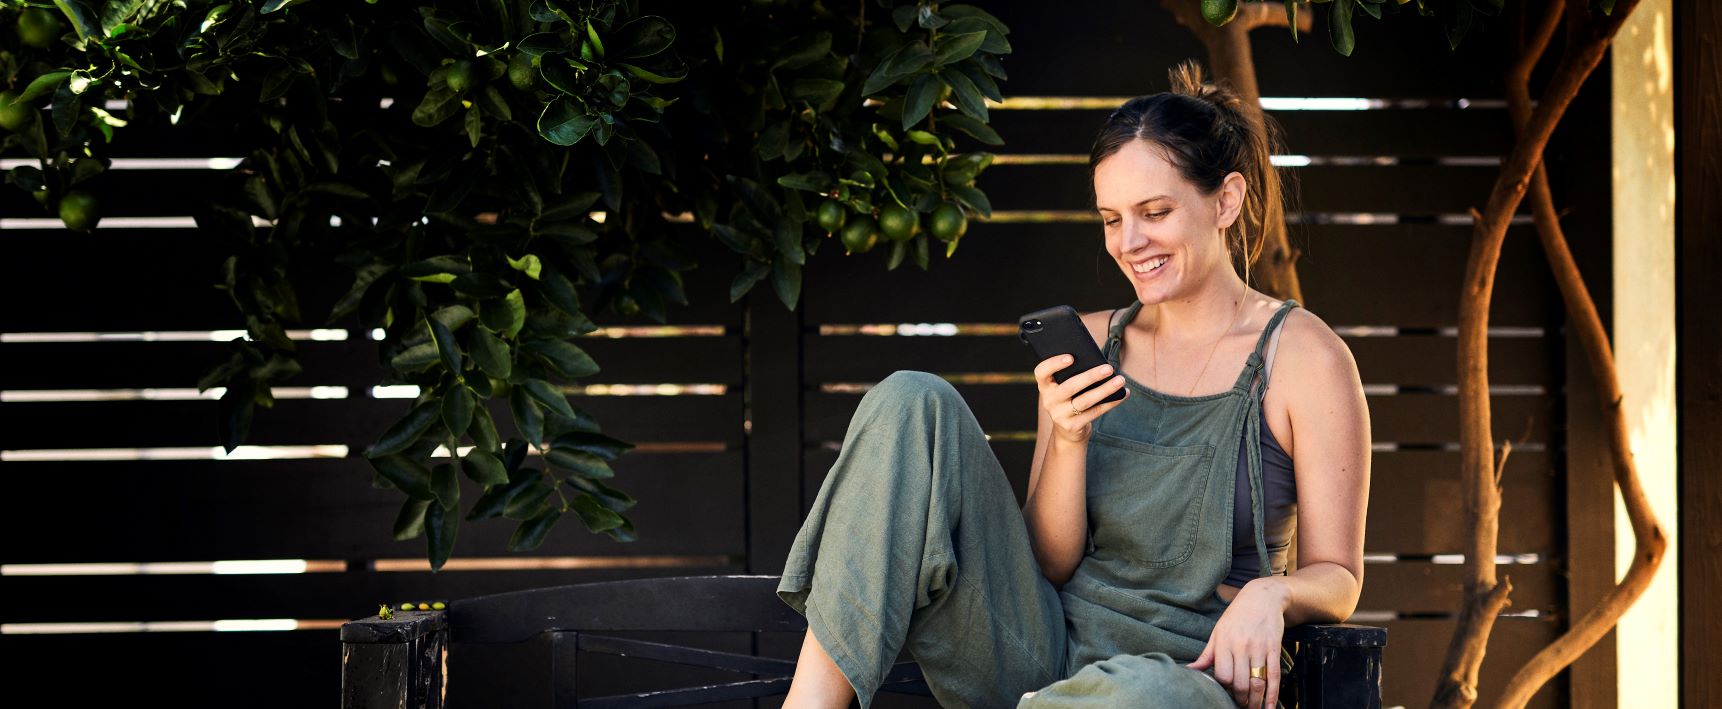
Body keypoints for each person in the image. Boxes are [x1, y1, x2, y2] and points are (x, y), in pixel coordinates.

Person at [774, 60, 1371, 709]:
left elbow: (1338, 577)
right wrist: (1067, 435)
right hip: (1043, 652)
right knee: (910, 400)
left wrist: (1272, 593)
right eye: (1112, 218)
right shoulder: (1091, 343)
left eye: (1155, 211)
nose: (1130, 241)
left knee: (1142, 697)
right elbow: (1049, 564)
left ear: (1226, 200)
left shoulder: (1305, 356)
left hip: (1188, 674)